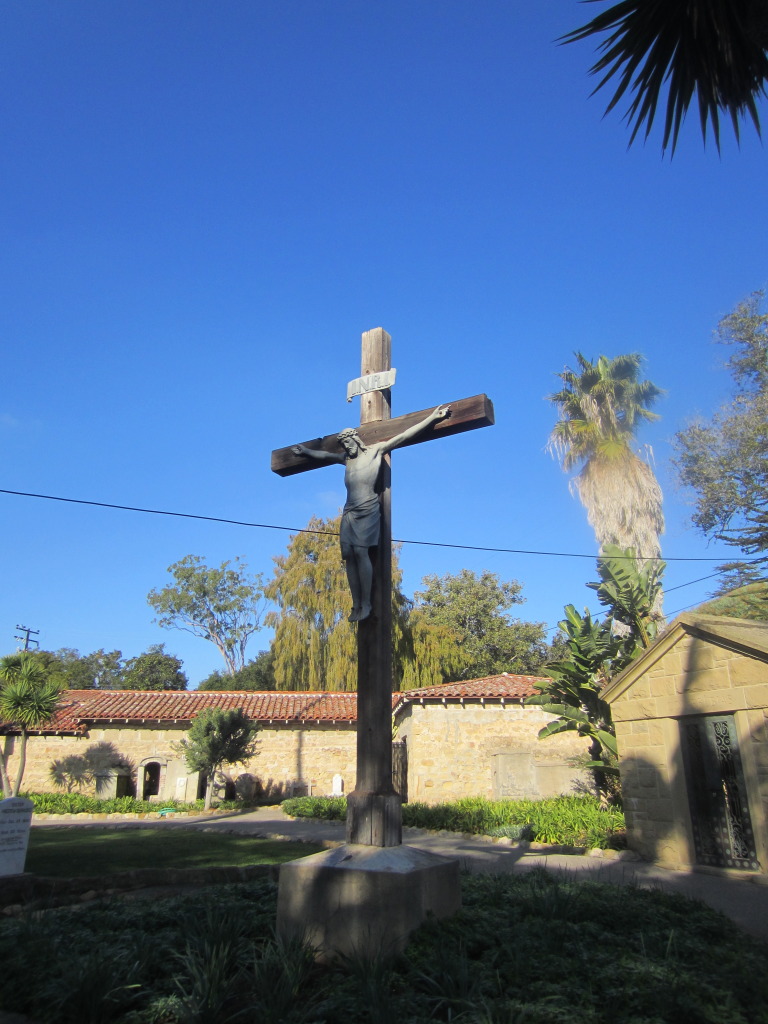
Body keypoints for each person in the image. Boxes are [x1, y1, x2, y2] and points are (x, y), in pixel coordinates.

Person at [293, 405, 450, 621]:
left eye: (348, 442)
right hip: (349, 510)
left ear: (355, 440)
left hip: (367, 506)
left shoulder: (375, 450)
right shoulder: (347, 460)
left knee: (360, 552)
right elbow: (325, 455)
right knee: (348, 555)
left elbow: (404, 435)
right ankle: (355, 603)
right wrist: (307, 452)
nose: (346, 447)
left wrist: (432, 418)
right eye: (343, 445)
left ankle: (366, 603)